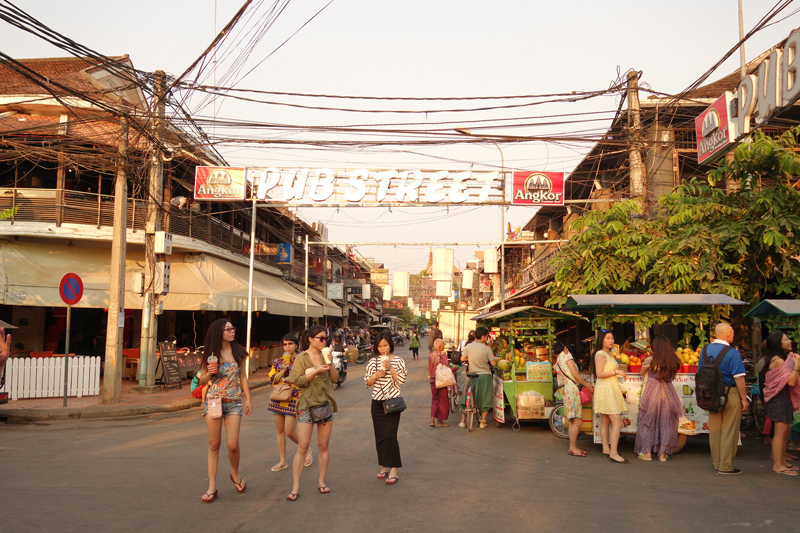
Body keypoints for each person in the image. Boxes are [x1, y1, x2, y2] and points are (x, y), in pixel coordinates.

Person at [196, 319, 252, 503]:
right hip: (213, 401)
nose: (232, 331)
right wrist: (209, 373)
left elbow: (243, 376)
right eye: (227, 329)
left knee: (233, 444)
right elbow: (202, 381)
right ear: (218, 332)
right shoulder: (211, 355)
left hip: (234, 401)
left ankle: (234, 473)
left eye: (232, 328)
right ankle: (212, 485)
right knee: (214, 444)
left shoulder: (239, 352)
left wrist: (248, 399)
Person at [286, 326, 338, 501]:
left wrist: (329, 364)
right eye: (321, 338)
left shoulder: (326, 355)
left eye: (326, 338)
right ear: (310, 339)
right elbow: (295, 380)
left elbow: (335, 378)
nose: (324, 341)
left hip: (324, 404)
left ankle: (322, 481)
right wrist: (316, 371)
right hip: (306, 405)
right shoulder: (302, 358)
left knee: (323, 446)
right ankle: (295, 487)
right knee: (302, 447)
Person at [698, 323, 748, 475]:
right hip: (730, 393)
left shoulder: (704, 350)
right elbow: (739, 378)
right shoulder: (732, 353)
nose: (733, 336)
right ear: (728, 335)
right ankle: (726, 466)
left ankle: (717, 462)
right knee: (729, 430)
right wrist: (744, 399)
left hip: (710, 394)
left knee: (715, 430)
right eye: (732, 333)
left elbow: (701, 372)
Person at [364, 331, 408, 485]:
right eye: (380, 346)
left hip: (393, 401)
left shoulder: (398, 361)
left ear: (390, 345)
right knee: (380, 436)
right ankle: (384, 467)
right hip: (377, 402)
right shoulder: (373, 362)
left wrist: (390, 368)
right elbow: (367, 383)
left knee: (390, 436)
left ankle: (394, 469)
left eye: (385, 345)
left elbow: (401, 381)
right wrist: (375, 376)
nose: (383, 349)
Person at [268, 334, 313, 473]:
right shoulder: (278, 361)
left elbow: (306, 378)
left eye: (290, 344)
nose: (287, 347)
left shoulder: (302, 360)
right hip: (279, 397)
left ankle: (306, 448)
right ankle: (282, 461)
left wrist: (291, 373)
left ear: (296, 346)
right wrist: (283, 369)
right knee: (280, 430)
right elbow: (272, 380)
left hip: (294, 397)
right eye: (285, 344)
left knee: (289, 431)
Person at [634, 336, 683, 462]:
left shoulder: (651, 360)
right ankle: (662, 454)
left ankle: (647, 453)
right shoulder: (673, 361)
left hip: (652, 392)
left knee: (647, 423)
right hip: (667, 393)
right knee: (666, 423)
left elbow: (641, 372)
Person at [760, 331, 800, 475]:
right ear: (778, 343)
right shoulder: (777, 359)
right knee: (780, 433)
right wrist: (797, 365)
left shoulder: (782, 358)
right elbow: (791, 381)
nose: (790, 341)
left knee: (785, 432)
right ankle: (777, 465)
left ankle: (782, 461)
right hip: (779, 399)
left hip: (782, 399)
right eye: (786, 339)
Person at [553, 341, 594, 457]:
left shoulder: (558, 360)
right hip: (573, 390)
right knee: (577, 421)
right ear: (565, 348)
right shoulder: (567, 356)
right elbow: (575, 374)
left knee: (572, 421)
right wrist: (587, 386)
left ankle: (573, 447)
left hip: (567, 390)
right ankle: (573, 447)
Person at [593, 329, 629, 464]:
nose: (611, 340)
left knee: (606, 421)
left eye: (612, 338)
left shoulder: (608, 354)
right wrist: (616, 371)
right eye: (608, 338)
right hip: (606, 390)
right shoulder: (600, 354)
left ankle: (606, 449)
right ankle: (613, 453)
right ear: (602, 340)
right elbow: (599, 373)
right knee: (617, 422)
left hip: (610, 388)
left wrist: (618, 370)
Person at [460, 327, 497, 429]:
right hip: (485, 376)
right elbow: (493, 363)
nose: (487, 338)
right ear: (483, 336)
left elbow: (462, 358)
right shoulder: (487, 349)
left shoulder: (469, 347)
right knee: (485, 398)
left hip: (473, 375)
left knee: (469, 395)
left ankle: (463, 421)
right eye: (487, 336)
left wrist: (470, 358)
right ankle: (482, 421)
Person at [428, 338, 450, 428]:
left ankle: (432, 421)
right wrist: (454, 369)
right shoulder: (443, 355)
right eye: (443, 345)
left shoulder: (431, 355)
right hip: (441, 381)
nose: (444, 346)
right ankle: (440, 421)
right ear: (440, 346)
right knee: (443, 401)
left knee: (434, 400)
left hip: (433, 381)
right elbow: (446, 367)